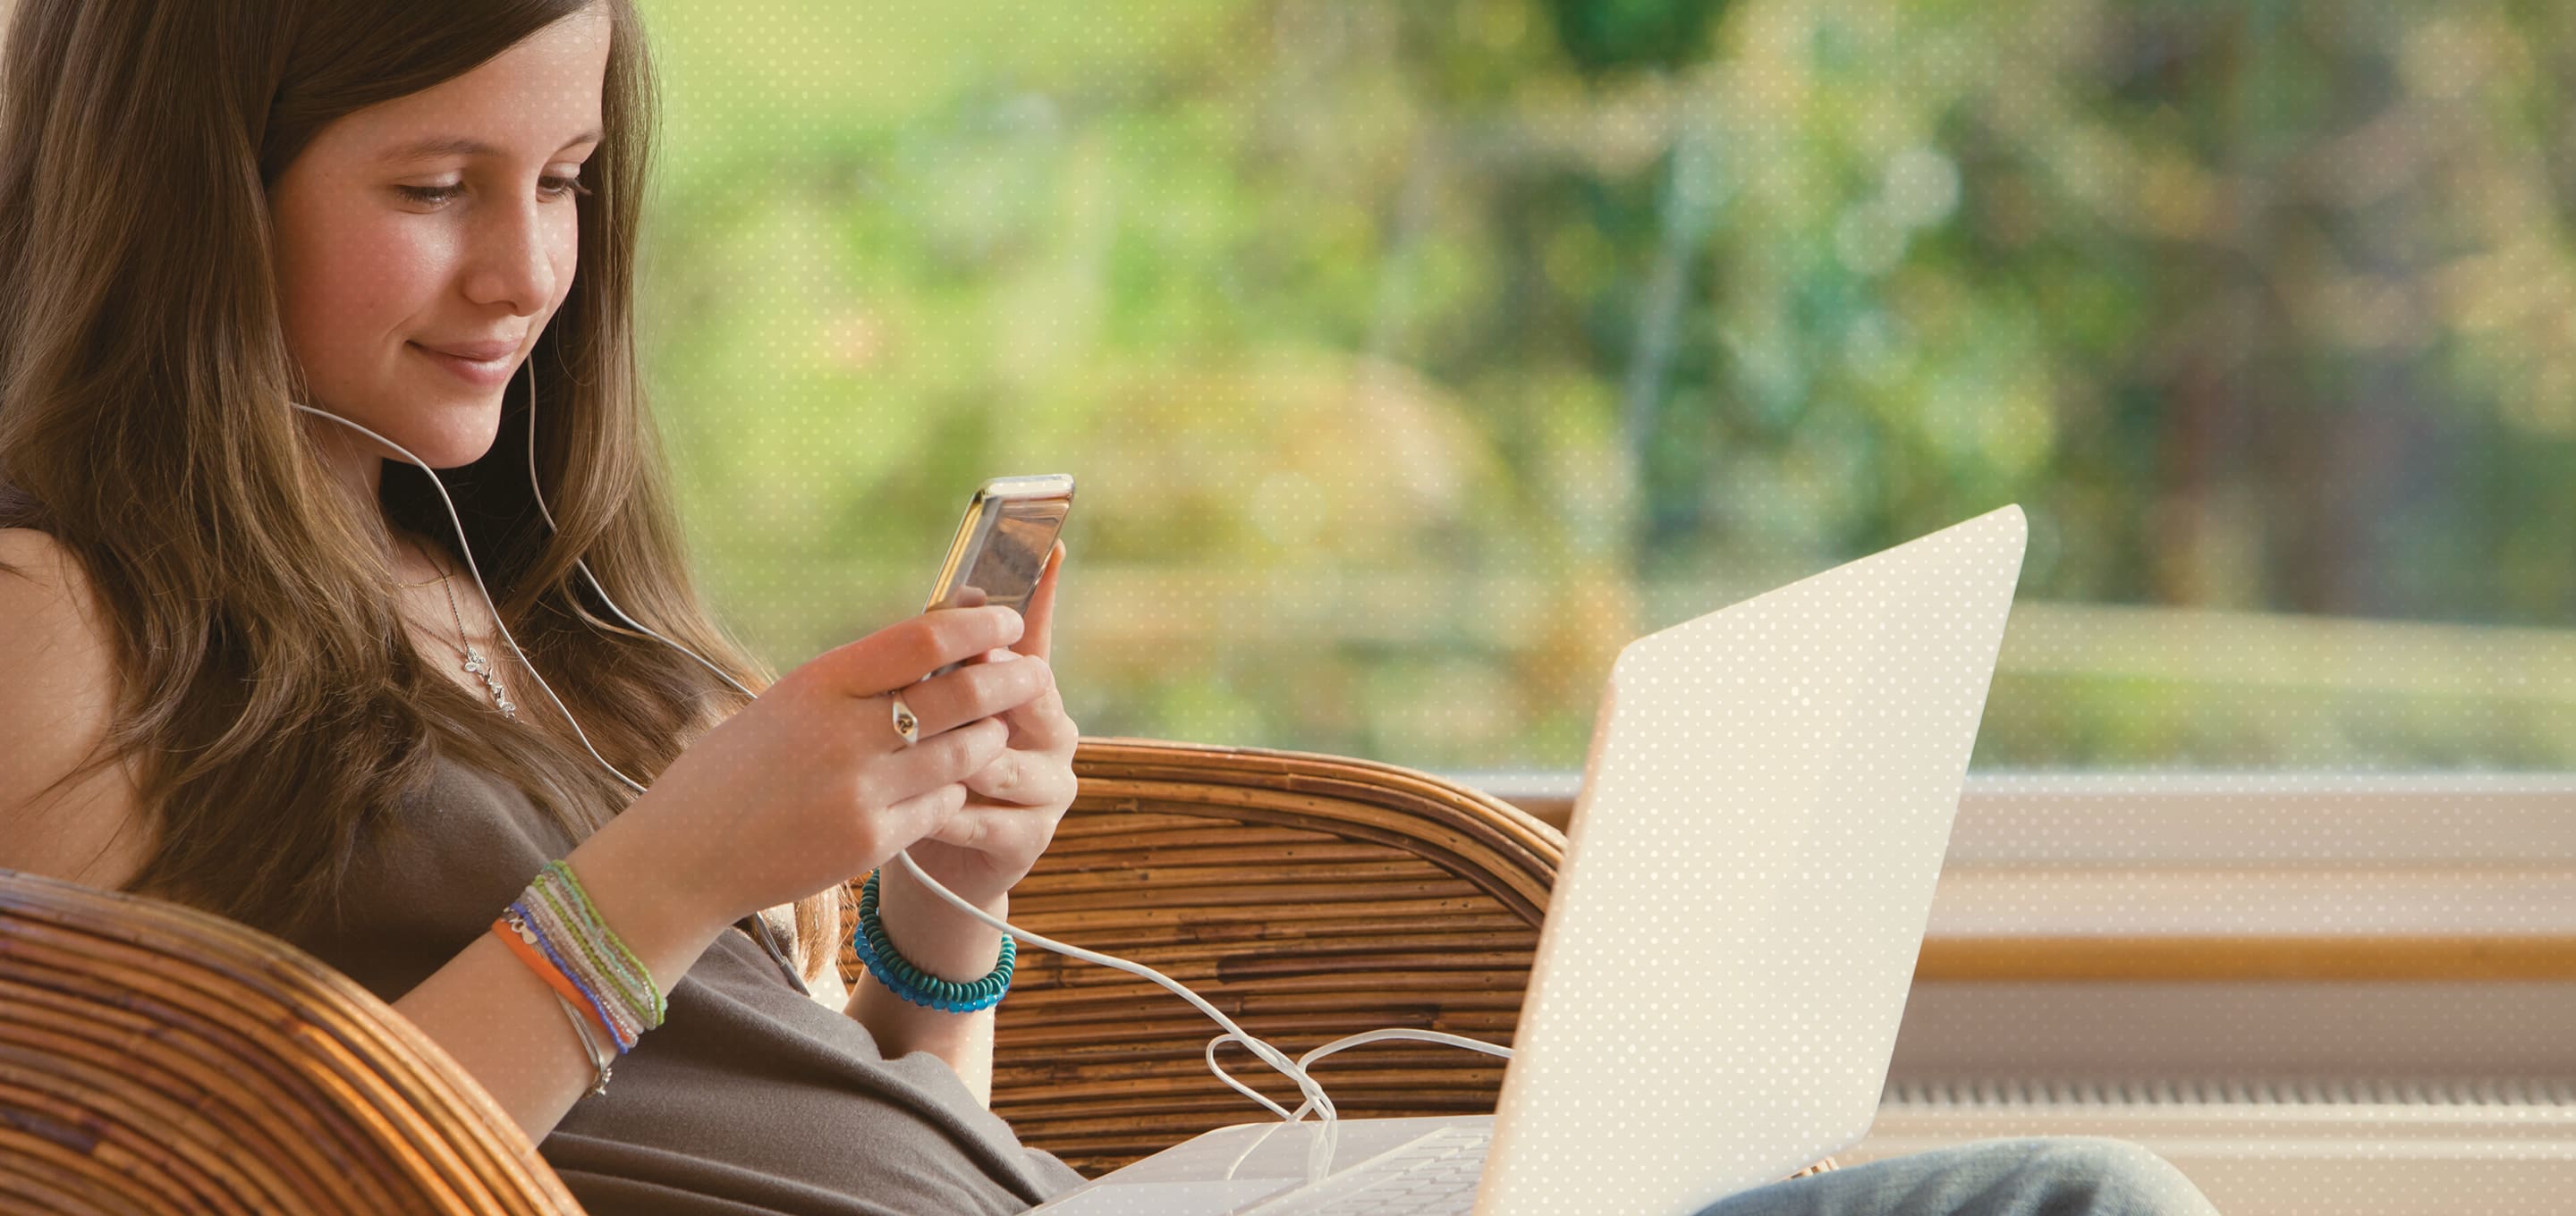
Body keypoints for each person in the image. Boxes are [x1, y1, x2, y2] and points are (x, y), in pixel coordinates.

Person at [0, 3, 2221, 1213]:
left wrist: (948, 909)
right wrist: (668, 867)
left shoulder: (504, 569)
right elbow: (206, 1179)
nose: (529, 273)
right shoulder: (57, 619)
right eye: (433, 188)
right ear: (189, 190)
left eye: (565, 180)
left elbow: (859, 1122)